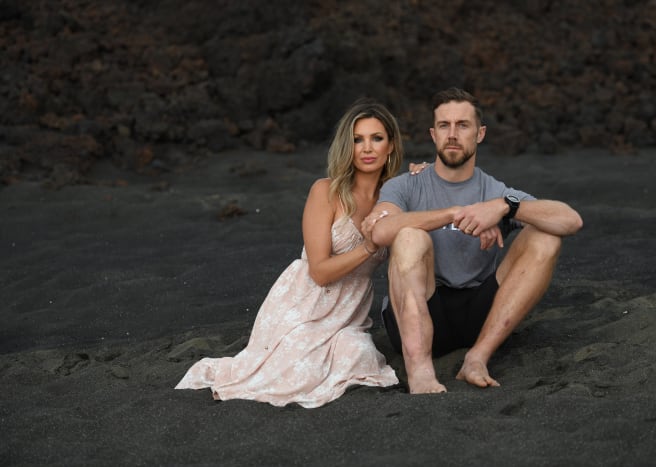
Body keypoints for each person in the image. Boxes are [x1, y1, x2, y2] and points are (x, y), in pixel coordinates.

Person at [175, 99, 404, 408]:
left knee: (358, 354)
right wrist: (369, 245)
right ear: (347, 147)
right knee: (296, 373)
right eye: (357, 139)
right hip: (305, 303)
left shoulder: (395, 197)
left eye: (376, 138)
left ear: (390, 146)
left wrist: (421, 176)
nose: (367, 148)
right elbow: (319, 272)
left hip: (350, 310)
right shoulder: (326, 191)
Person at [363, 87, 583, 394]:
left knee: (546, 238)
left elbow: (570, 220)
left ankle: (477, 358)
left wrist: (506, 206)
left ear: (479, 134)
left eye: (462, 125)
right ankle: (421, 373)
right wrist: (454, 213)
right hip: (423, 307)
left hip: (480, 314)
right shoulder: (406, 185)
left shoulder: (495, 192)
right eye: (444, 125)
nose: (452, 134)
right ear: (433, 134)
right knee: (409, 237)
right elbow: (380, 231)